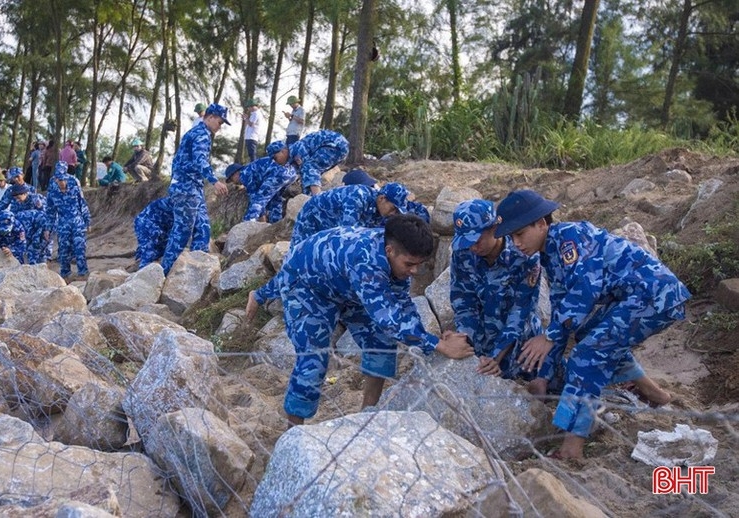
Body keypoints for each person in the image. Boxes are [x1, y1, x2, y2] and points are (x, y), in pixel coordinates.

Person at [494, 189, 691, 459]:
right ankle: (654, 393)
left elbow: (585, 291)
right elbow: (563, 310)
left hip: (654, 296)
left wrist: (548, 337)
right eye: (511, 237)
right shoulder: (550, 255)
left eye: (519, 234)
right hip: (638, 298)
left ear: (541, 223)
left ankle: (572, 447)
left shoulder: (568, 240)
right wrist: (543, 376)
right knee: (588, 332)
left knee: (587, 356)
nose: (515, 243)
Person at [275, 214, 474, 426]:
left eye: (419, 264)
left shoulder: (394, 260)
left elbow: (402, 305)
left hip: (347, 285)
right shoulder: (366, 261)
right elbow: (388, 319)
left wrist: (430, 338)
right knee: (314, 358)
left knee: (381, 343)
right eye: (409, 264)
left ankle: (367, 417)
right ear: (389, 251)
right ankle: (293, 431)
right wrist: (440, 345)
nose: (414, 271)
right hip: (307, 287)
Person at [248, 182, 412, 318]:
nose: (394, 214)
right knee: (298, 265)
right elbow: (347, 239)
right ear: (382, 198)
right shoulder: (358, 197)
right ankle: (258, 296)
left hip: (331, 227)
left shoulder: (380, 211)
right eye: (394, 209)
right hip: (312, 221)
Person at [450, 199, 545, 386]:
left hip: (520, 339)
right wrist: (465, 339)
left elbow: (520, 313)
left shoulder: (524, 255)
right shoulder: (463, 254)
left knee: (540, 383)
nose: (473, 248)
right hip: (482, 334)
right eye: (467, 242)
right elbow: (463, 302)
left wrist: (496, 356)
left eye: (476, 240)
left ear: (494, 228)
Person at [161, 103, 231, 275]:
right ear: (210, 117)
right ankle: (165, 272)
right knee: (182, 231)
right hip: (186, 188)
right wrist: (215, 181)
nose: (219, 127)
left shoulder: (199, 133)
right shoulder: (201, 134)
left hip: (193, 188)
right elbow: (200, 160)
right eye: (220, 123)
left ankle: (198, 271)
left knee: (203, 227)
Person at [223, 141, 297, 223]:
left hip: (278, 174)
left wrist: (260, 222)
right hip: (291, 173)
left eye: (231, 179)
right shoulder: (252, 167)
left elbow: (256, 199)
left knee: (258, 200)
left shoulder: (244, 174)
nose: (233, 182)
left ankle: (247, 225)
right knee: (275, 200)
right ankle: (276, 226)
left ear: (235, 174)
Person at [46, 162, 91, 281]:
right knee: (64, 249)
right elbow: (50, 211)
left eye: (63, 179)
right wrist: (48, 228)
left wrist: (87, 221)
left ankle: (83, 272)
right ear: (55, 179)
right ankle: (65, 274)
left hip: (77, 221)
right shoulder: (52, 188)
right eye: (59, 180)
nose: (61, 182)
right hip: (62, 222)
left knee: (79, 247)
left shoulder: (74, 182)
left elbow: (82, 203)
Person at [289, 129, 349, 196]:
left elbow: (308, 168)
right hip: (339, 145)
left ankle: (317, 199)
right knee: (310, 169)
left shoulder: (295, 151)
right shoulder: (295, 149)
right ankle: (311, 196)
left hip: (334, 144)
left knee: (310, 167)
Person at [9, 183, 51, 265]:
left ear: (25, 193)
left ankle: (43, 262)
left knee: (35, 249)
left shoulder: (35, 199)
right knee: (28, 248)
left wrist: (46, 230)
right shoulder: (16, 202)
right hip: (28, 228)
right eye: (15, 198)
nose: (17, 200)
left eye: (18, 198)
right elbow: (14, 218)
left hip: (42, 226)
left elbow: (46, 216)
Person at [242, 99, 262, 163]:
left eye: (249, 107)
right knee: (251, 154)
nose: (249, 109)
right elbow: (248, 124)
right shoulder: (253, 114)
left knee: (252, 154)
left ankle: (254, 166)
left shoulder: (256, 114)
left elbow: (251, 124)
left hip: (252, 137)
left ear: (253, 106)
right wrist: (246, 119)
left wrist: (246, 118)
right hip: (249, 136)